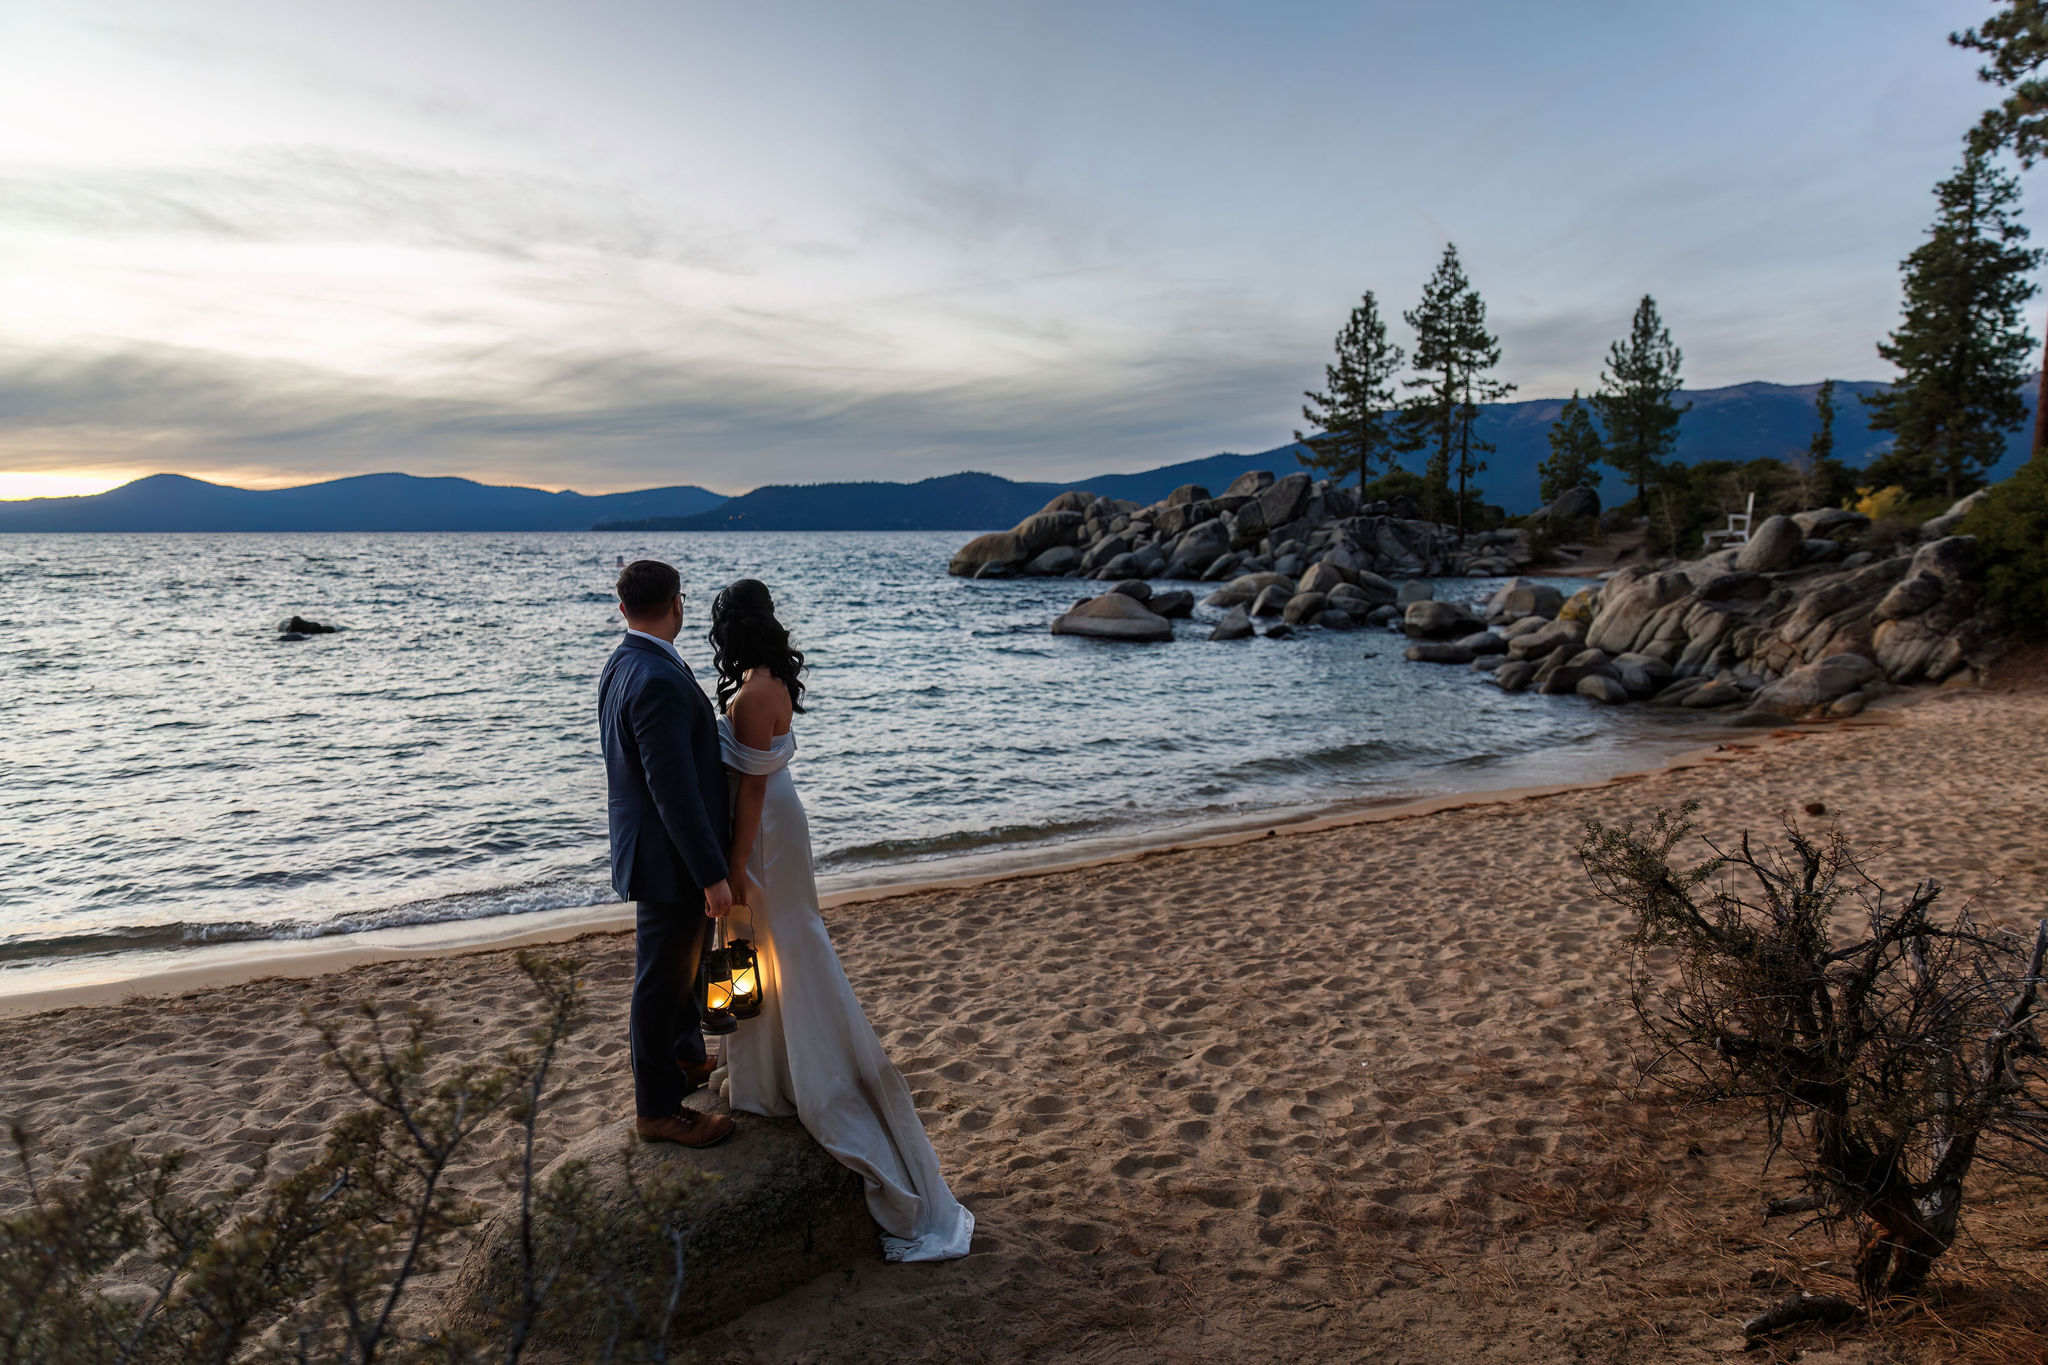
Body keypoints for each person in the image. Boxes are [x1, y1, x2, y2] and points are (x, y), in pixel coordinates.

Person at [709, 578, 974, 1261]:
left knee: (766, 938)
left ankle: (786, 1073)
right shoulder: (770, 683)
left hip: (762, 828)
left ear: (731, 629)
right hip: (781, 822)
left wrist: (735, 866)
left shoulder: (751, 695)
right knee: (777, 940)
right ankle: (767, 1065)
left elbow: (750, 792)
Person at [598, 559, 736, 1148]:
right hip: (668, 858)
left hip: (650, 849)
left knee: (677, 971)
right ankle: (656, 1111)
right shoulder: (653, 676)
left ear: (623, 608)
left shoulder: (622, 662)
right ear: (678, 603)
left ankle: (686, 1058)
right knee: (658, 983)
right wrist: (712, 875)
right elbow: (672, 791)